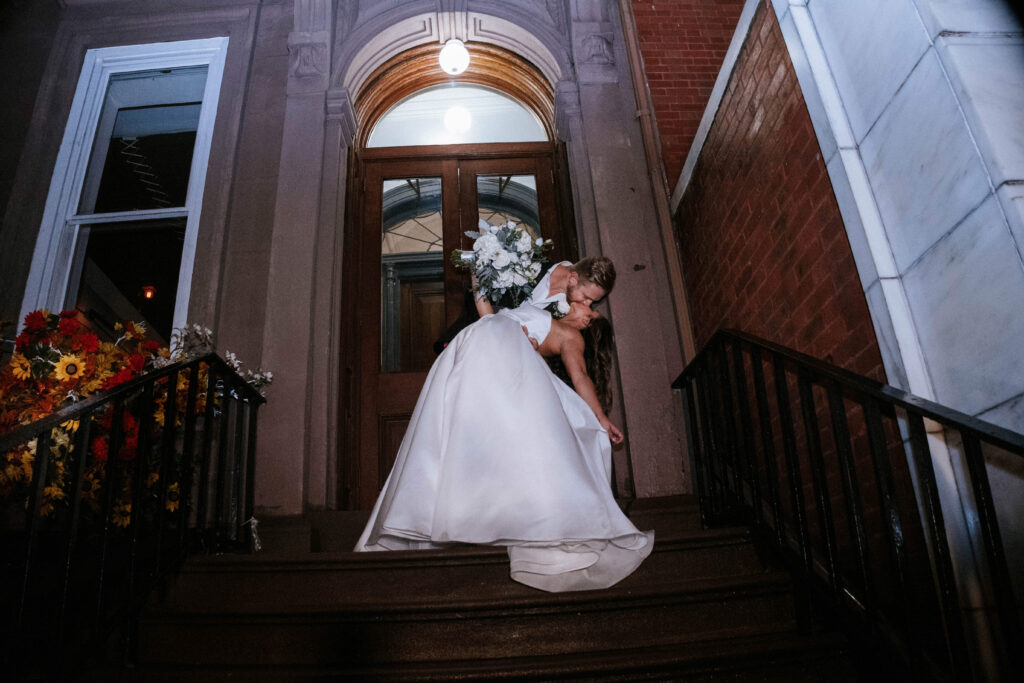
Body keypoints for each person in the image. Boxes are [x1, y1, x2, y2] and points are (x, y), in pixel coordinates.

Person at [355, 280, 653, 592]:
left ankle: (484, 508)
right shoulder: (539, 309)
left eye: (592, 316)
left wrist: (601, 418)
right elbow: (497, 310)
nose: (588, 311)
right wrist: (482, 282)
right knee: (468, 423)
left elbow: (579, 376)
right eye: (589, 306)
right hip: (480, 338)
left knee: (500, 428)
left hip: (488, 343)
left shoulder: (571, 336)